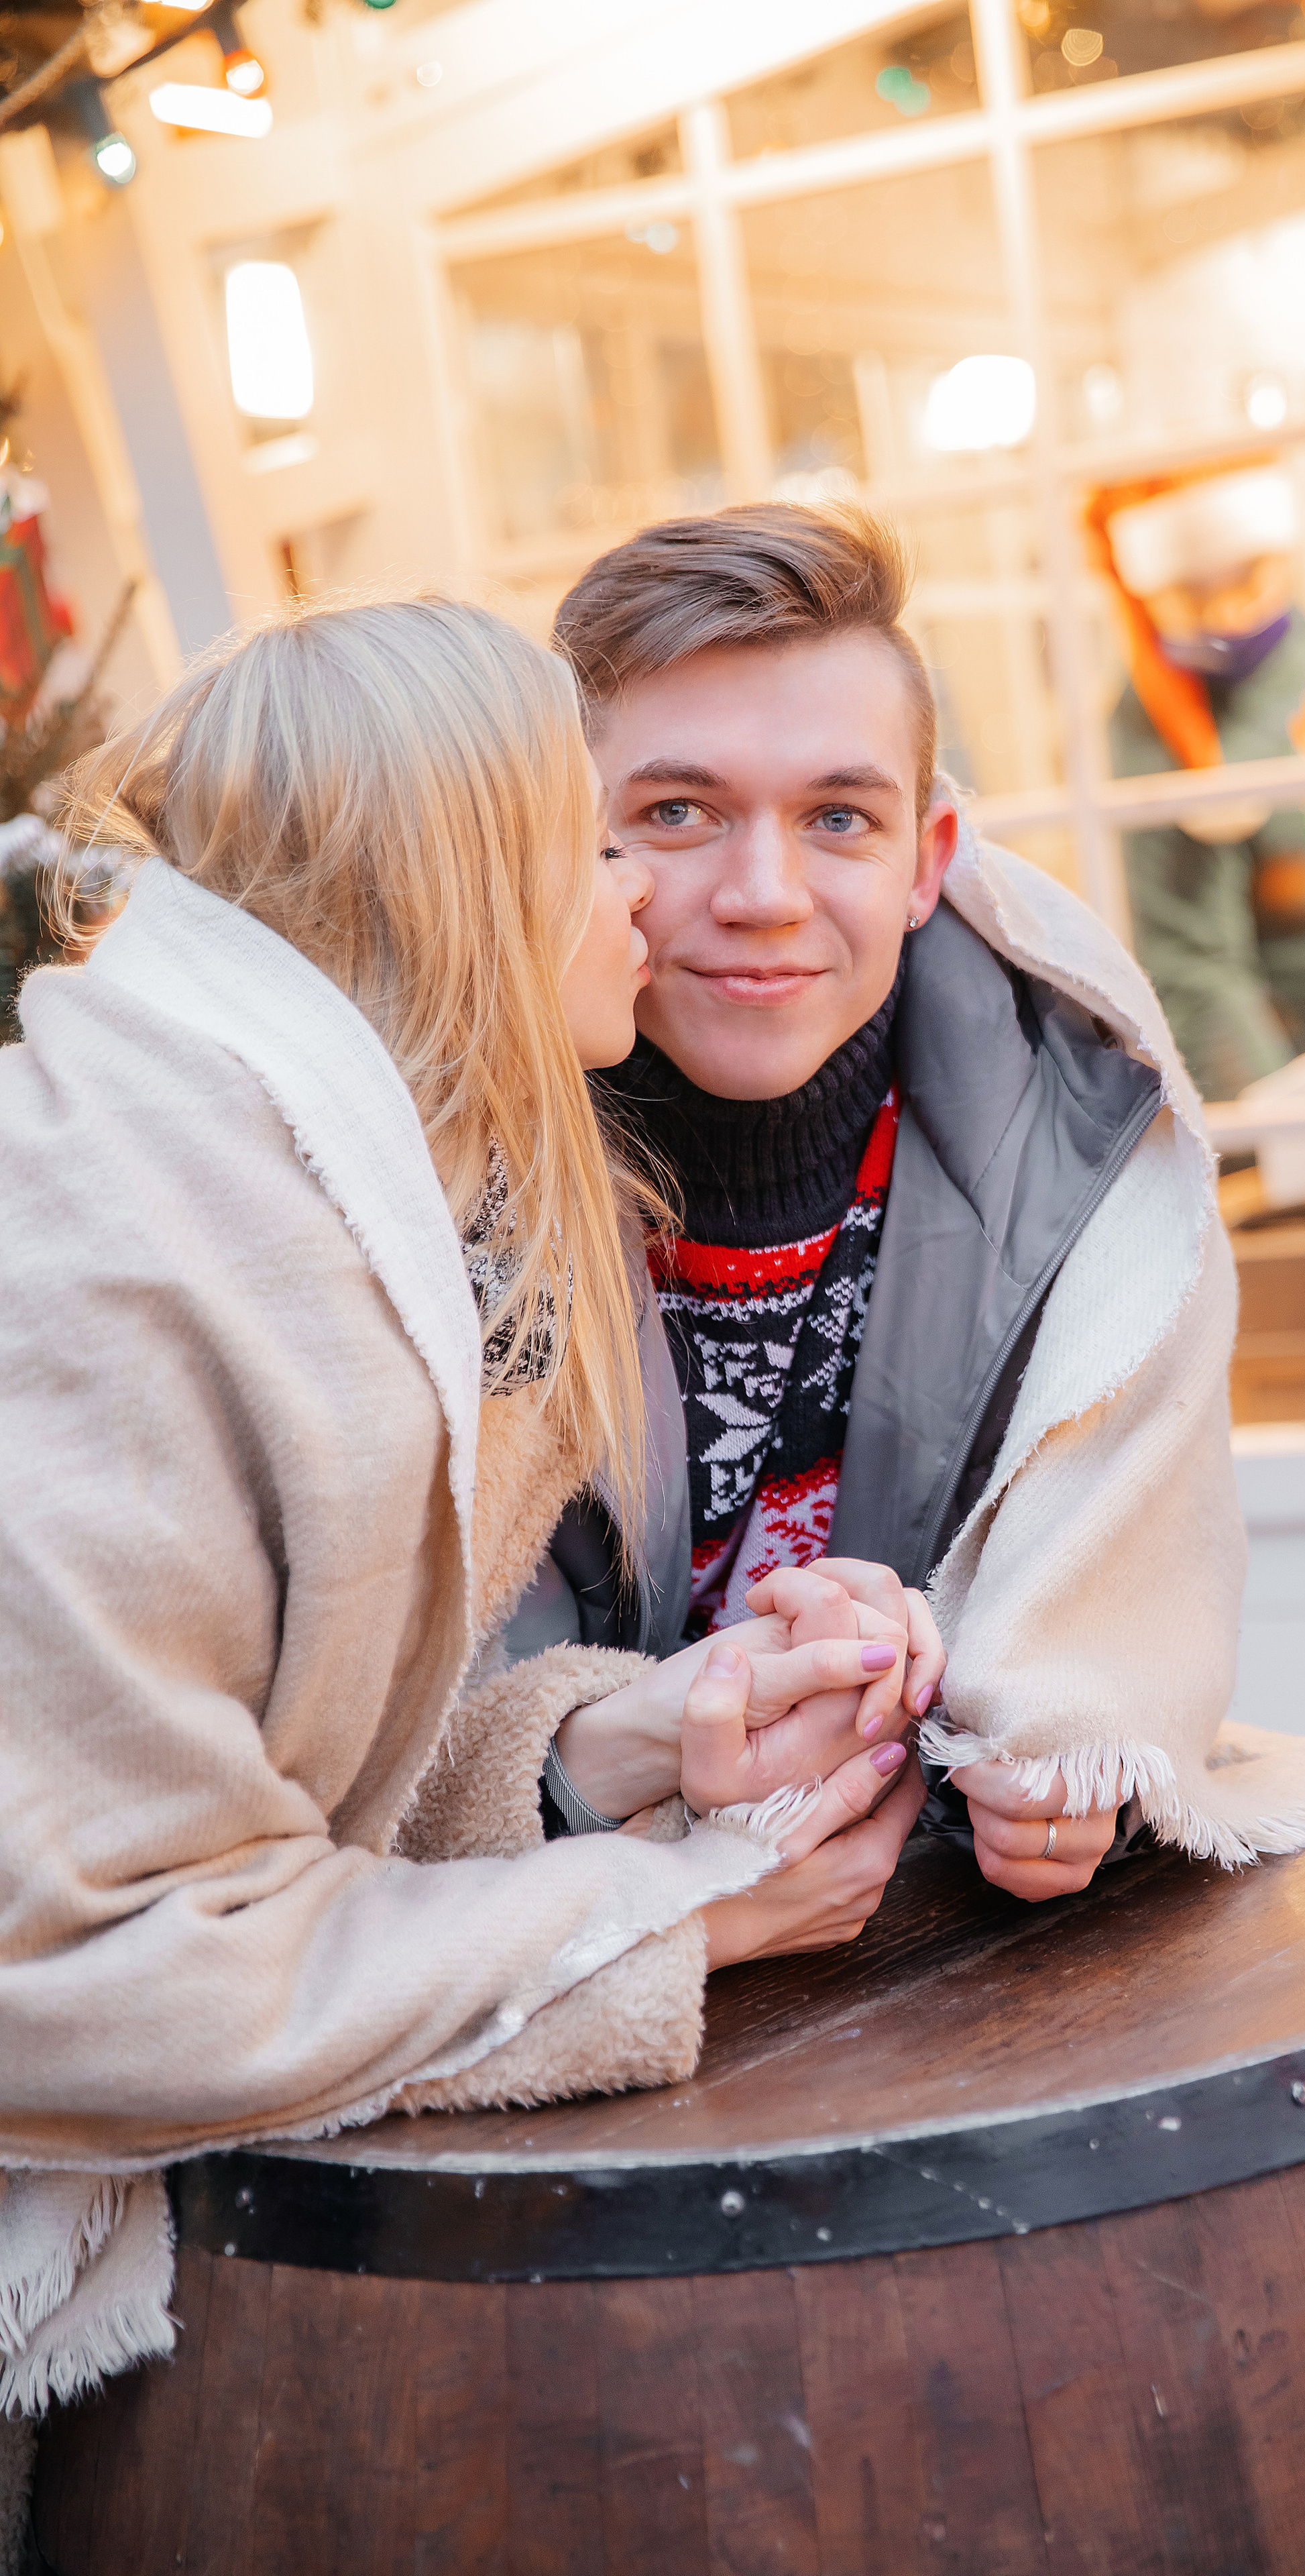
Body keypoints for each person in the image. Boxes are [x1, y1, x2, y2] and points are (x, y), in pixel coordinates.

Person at [0, 596, 929, 2418]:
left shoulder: (329, 1203)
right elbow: (81, 1972)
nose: (645, 899)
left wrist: (618, 1744)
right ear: (462, 880)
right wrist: (672, 1918)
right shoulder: (109, 1269)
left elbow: (267, 1782)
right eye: (597, 841)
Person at [545, 503, 1305, 1906]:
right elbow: (423, 1732)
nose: (764, 894)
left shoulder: (1091, 1142)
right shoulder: (447, 1180)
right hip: (563, 1947)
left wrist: (1059, 1774)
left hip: (928, 1938)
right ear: (559, 847)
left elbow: (1110, 1620)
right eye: (677, 813)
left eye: (838, 818)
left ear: (927, 856)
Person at [1090, 465, 1305, 1102]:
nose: (1227, 614)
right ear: (1148, 598)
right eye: (1190, 593)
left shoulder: (1301, 648)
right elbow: (1192, 967)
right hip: (1301, 1073)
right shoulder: (1152, 730)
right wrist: (1280, 1129)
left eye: (1246, 578)